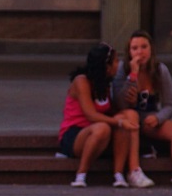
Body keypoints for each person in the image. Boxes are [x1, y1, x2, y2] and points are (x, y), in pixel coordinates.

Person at [58, 42, 152, 188]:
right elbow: (91, 115)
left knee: (128, 115)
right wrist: (119, 122)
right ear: (106, 66)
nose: (119, 63)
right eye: (115, 61)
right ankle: (81, 175)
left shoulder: (105, 83)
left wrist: (132, 81)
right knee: (104, 127)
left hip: (100, 134)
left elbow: (114, 110)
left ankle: (120, 174)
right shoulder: (81, 81)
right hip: (76, 133)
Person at [113, 30, 172, 187]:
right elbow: (119, 104)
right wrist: (133, 76)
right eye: (135, 48)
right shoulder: (122, 69)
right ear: (129, 51)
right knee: (132, 115)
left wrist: (159, 117)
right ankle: (134, 171)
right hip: (128, 120)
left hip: (149, 120)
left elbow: (170, 106)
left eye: (144, 47)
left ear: (151, 49)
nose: (140, 52)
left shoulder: (160, 70)